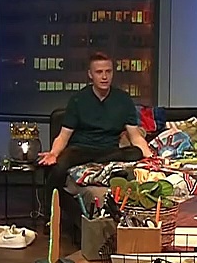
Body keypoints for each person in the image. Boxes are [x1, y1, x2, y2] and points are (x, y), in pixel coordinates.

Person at [38, 52, 154, 193]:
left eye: (108, 71)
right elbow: (63, 136)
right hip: (81, 150)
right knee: (58, 167)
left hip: (109, 151)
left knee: (136, 153)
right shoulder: (78, 100)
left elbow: (135, 137)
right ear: (90, 74)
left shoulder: (123, 100)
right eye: (99, 72)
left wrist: (151, 158)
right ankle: (49, 204)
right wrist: (53, 153)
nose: (104, 77)